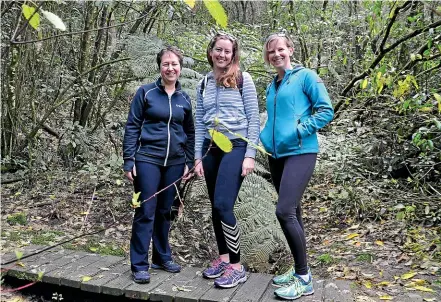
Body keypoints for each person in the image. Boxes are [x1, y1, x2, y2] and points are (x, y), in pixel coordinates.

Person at [260, 33, 334, 300]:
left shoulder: (306, 77)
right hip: (276, 155)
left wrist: (300, 130)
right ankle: (299, 269)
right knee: (294, 213)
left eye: (280, 49)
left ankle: (304, 279)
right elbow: (273, 119)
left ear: (290, 50)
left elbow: (326, 110)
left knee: (283, 211)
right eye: (271, 52)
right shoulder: (272, 85)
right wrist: (264, 137)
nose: (276, 54)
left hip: (301, 151)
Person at [123, 46, 195, 284]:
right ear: (160, 67)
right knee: (146, 211)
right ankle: (139, 264)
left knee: (166, 211)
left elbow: (190, 132)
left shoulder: (185, 99)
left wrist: (188, 161)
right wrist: (129, 160)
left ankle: (161, 257)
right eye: (166, 64)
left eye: (174, 64)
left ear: (180, 68)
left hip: (175, 163)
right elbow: (132, 126)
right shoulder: (145, 93)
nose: (170, 68)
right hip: (147, 160)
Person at [194, 32, 260, 288]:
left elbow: (253, 119)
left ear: (234, 54)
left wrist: (250, 156)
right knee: (215, 206)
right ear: (211, 52)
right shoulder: (204, 83)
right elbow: (200, 122)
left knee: (223, 204)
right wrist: (198, 157)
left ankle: (236, 265)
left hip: (236, 146)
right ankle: (223, 258)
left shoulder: (244, 80)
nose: (222, 55)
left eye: (227, 51)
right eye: (218, 50)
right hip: (211, 148)